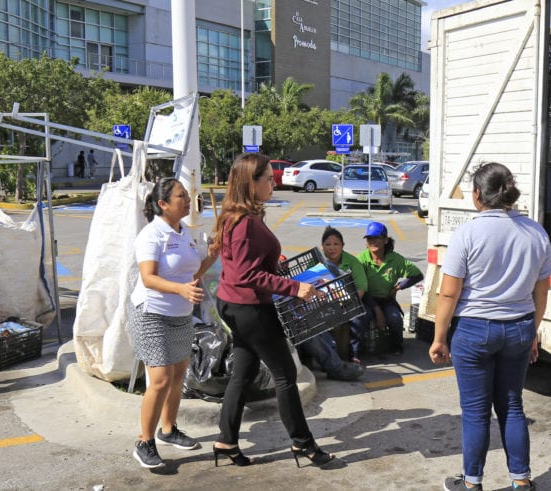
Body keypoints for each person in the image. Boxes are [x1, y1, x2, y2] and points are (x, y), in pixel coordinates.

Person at [429, 163, 551, 491]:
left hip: (474, 330)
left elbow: (449, 293)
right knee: (512, 406)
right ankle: (521, 481)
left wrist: (439, 338)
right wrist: (532, 333)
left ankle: (472, 484)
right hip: (519, 327)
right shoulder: (536, 232)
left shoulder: (467, 234)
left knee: (475, 412)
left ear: (476, 195)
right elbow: (541, 294)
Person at [209, 153, 335, 469]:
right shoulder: (244, 223)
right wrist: (294, 288)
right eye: (267, 178)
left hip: (237, 304)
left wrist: (275, 268)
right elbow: (246, 275)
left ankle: (226, 440)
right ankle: (303, 443)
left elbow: (247, 265)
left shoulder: (242, 215)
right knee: (285, 375)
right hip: (249, 308)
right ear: (250, 183)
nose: (273, 183)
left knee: (243, 373)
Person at [128, 177, 218, 469]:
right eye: (181, 196)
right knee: (160, 379)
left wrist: (211, 257)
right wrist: (180, 290)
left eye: (187, 196)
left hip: (181, 314)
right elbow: (148, 278)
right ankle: (144, 442)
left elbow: (191, 275)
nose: (188, 200)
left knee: (178, 375)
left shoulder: (184, 233)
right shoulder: (151, 235)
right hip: (152, 314)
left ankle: (168, 430)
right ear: (163, 204)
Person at [357, 221, 423, 355]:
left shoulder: (396, 260)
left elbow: (417, 275)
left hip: (387, 300)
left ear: (385, 240)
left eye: (376, 238)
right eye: (369, 238)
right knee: (362, 318)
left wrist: (398, 287)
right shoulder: (361, 259)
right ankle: (360, 348)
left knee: (395, 319)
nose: (372, 241)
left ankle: (396, 345)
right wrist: (377, 311)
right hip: (366, 300)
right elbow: (359, 287)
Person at [320, 225, 372, 364]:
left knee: (358, 319)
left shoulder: (352, 262)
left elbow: (361, 287)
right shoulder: (317, 262)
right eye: (328, 244)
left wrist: (347, 305)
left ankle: (354, 354)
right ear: (322, 247)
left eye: (336, 244)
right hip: (323, 303)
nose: (332, 248)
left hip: (350, 302)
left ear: (342, 245)